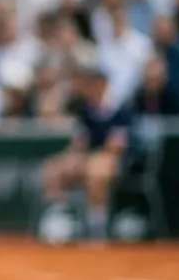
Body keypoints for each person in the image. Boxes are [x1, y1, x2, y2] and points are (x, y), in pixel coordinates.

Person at [38, 64, 137, 242]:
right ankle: (61, 219)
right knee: (54, 168)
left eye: (91, 84)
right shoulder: (86, 109)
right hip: (90, 158)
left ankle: (96, 228)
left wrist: (89, 159)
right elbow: (80, 141)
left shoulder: (121, 108)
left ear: (102, 84)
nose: (87, 88)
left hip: (116, 161)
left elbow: (116, 146)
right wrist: (71, 157)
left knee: (95, 172)